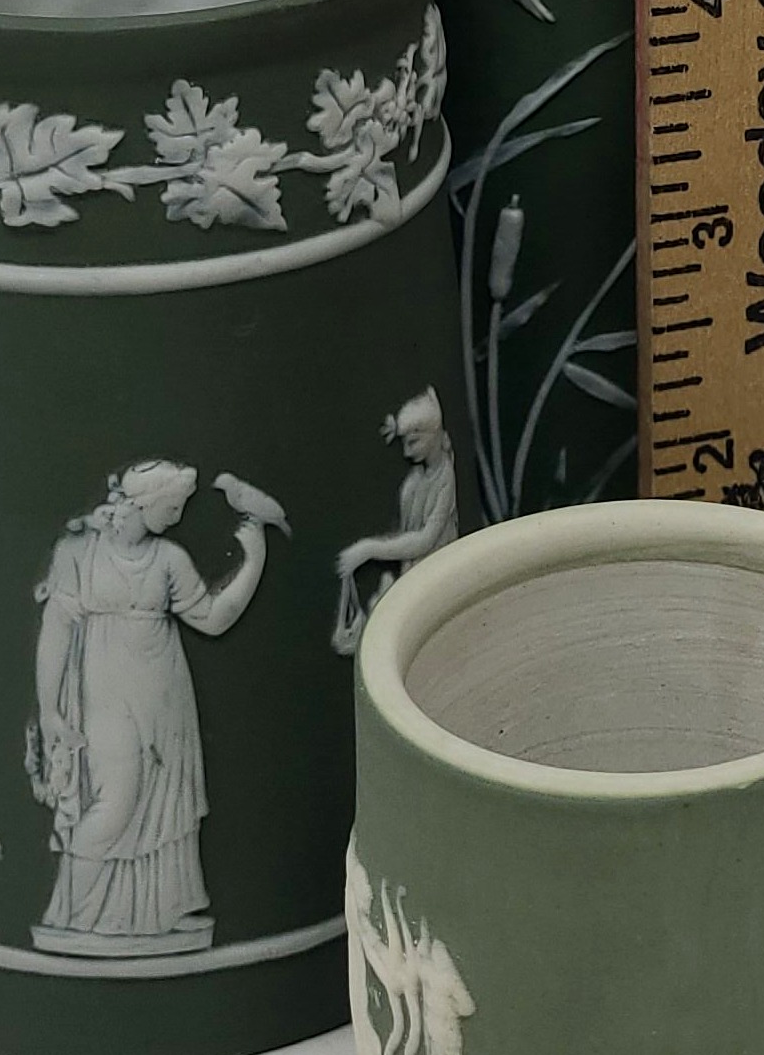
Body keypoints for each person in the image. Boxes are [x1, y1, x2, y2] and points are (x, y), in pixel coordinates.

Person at [27, 460, 281, 953]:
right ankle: (73, 914)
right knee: (116, 801)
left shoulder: (169, 559)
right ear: (143, 503)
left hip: (164, 700)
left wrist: (254, 561)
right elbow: (55, 631)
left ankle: (153, 914)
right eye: (173, 505)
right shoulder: (79, 552)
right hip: (104, 695)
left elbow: (212, 618)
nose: (179, 514)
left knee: (163, 806)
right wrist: (49, 710)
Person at [332, 389, 460, 654]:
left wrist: (369, 549)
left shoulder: (445, 477)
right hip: (413, 574)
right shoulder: (415, 481)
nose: (406, 451)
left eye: (413, 442)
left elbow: (425, 540)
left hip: (436, 579)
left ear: (433, 435)